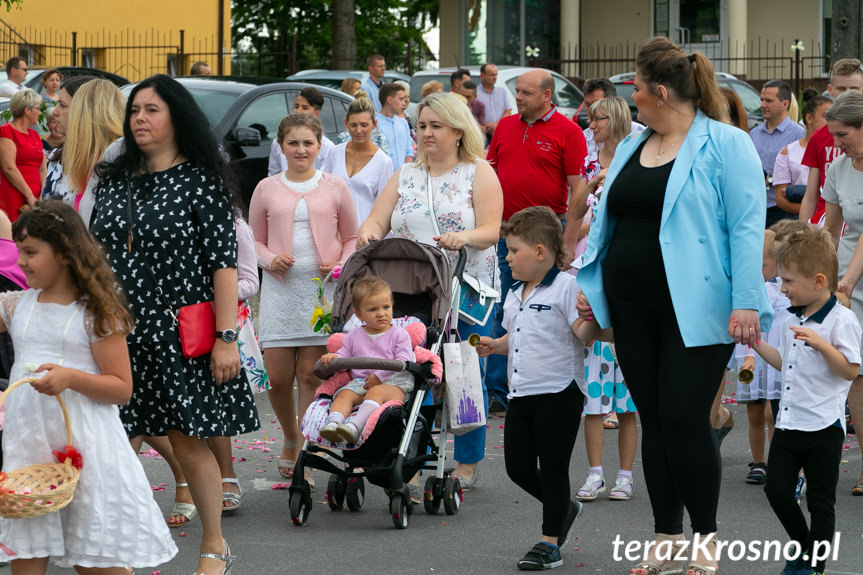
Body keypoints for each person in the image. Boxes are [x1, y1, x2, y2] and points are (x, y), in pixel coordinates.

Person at [577, 37, 771, 575]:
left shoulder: (726, 144)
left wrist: (748, 302)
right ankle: (665, 537)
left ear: (660, 91)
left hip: (699, 307)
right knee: (656, 421)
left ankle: (705, 538)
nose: (631, 98)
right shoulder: (636, 143)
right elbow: (606, 220)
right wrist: (589, 284)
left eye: (636, 89)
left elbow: (747, 226)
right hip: (632, 305)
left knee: (685, 418)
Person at [90, 74, 259, 575]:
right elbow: (94, 253)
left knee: (188, 444)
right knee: (110, 443)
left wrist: (226, 339)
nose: (139, 119)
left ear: (176, 118)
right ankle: (109, 545)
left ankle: (214, 546)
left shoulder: (201, 180)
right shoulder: (116, 176)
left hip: (176, 336)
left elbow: (223, 265)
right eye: (134, 111)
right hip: (115, 332)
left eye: (151, 110)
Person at [0, 200, 178, 573]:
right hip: (30, 447)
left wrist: (71, 378)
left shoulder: (95, 314)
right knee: (27, 550)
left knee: (96, 554)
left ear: (65, 253)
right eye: (20, 251)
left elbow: (121, 388)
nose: (20, 262)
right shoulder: (18, 306)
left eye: (31, 252)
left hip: (84, 443)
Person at [357, 92, 502, 488]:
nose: (426, 133)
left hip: (465, 289)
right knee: (416, 370)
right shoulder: (405, 174)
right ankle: (414, 454)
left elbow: (492, 230)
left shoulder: (478, 172)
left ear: (458, 131)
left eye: (436, 125)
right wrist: (367, 234)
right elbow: (376, 220)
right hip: (413, 291)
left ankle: (468, 461)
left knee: (462, 372)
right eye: (421, 126)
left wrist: (463, 236)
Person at [249, 113, 357, 490]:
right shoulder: (266, 187)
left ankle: (305, 450)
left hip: (319, 293)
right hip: (279, 291)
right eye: (293, 143)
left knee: (310, 375)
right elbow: (253, 240)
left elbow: (352, 237)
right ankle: (290, 436)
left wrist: (340, 265)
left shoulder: (335, 186)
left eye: (308, 143)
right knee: (278, 377)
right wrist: (268, 259)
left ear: (318, 147)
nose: (300, 150)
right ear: (281, 146)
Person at [477, 206, 586, 571]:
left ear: (540, 253)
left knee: (553, 469)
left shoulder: (567, 288)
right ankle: (564, 506)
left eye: (512, 251)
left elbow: (582, 334)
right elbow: (519, 335)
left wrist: (594, 320)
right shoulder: (514, 293)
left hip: (559, 391)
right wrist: (496, 345)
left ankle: (549, 542)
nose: (506, 259)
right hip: (521, 392)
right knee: (518, 468)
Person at [748, 227, 861, 575]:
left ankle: (815, 566)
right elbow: (784, 362)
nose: (782, 289)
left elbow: (850, 370)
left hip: (824, 427)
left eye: (789, 282)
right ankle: (804, 547)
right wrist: (754, 343)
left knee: (821, 502)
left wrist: (822, 344)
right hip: (788, 423)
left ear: (818, 280)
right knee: (778, 491)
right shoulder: (791, 320)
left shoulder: (842, 320)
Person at [485, 69, 587, 414]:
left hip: (547, 232)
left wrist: (568, 241)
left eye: (527, 93)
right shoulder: (505, 126)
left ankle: (539, 384)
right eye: (517, 92)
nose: (518, 98)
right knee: (505, 305)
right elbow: (490, 172)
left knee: (545, 310)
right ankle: (500, 389)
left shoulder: (569, 132)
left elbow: (579, 192)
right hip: (507, 233)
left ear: (547, 95)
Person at [567, 97, 638, 504]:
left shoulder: (637, 157)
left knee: (627, 393)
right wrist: (592, 185)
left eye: (599, 118)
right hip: (592, 269)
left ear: (618, 120)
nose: (592, 124)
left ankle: (625, 475)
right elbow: (575, 213)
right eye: (590, 118)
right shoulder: (590, 162)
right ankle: (595, 473)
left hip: (626, 270)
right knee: (594, 390)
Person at [821, 90, 863, 499]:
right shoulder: (837, 168)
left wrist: (846, 283)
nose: (837, 141)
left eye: (844, 133)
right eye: (833, 134)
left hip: (853, 281)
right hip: (850, 284)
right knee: (857, 377)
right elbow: (832, 231)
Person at [319, 277, 414, 443]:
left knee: (375, 392)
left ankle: (354, 427)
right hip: (360, 382)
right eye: (372, 309)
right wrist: (334, 358)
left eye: (386, 307)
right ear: (358, 314)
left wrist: (380, 376)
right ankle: (333, 423)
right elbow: (344, 354)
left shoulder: (399, 335)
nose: (381, 313)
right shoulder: (354, 336)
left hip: (393, 382)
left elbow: (403, 360)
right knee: (344, 394)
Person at [800, 58, 863, 225]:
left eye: (854, 89)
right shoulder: (819, 137)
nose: (847, 93)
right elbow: (810, 195)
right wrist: (802, 230)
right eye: (842, 88)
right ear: (830, 90)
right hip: (827, 218)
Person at [54, 79, 125, 220]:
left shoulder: (117, 164)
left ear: (85, 115)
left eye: (62, 105)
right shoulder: (88, 162)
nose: (54, 112)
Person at [322, 96, 393, 224]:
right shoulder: (334, 152)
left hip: (364, 236)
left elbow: (385, 208)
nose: (358, 130)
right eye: (353, 125)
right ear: (346, 124)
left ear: (374, 124)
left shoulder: (383, 162)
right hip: (333, 229)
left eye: (364, 125)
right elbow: (324, 190)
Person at [750, 79, 806, 227]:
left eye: (768, 100)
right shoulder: (753, 134)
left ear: (785, 104)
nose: (762, 105)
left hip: (783, 209)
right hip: (755, 207)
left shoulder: (799, 135)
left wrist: (772, 179)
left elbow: (804, 174)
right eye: (761, 100)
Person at [773, 90, 832, 217]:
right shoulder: (788, 152)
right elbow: (780, 198)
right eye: (826, 116)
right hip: (802, 218)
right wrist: (812, 213)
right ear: (809, 118)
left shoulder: (839, 147)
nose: (832, 122)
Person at [41, 76, 95, 206]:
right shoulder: (54, 157)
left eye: (62, 105)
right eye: (57, 104)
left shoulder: (108, 163)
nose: (55, 112)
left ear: (84, 111)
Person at [267, 86, 336, 176]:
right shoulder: (278, 142)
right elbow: (273, 175)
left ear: (317, 113)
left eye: (305, 108)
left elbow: (325, 180)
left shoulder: (328, 148)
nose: (298, 111)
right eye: (296, 106)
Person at [0, 89, 45, 221]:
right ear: (27, 110)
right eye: (37, 108)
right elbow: (9, 168)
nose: (40, 112)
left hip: (35, 197)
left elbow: (42, 167)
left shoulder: (35, 135)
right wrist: (29, 196)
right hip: (13, 194)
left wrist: (39, 195)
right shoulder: (7, 132)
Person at [376, 82, 415, 171]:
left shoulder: (403, 122)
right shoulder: (375, 124)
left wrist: (404, 170)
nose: (404, 103)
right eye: (401, 99)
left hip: (402, 177)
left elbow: (409, 150)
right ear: (390, 100)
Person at [476, 63, 511, 143]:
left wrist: (497, 124)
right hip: (483, 135)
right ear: (482, 75)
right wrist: (487, 125)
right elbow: (472, 114)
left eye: (496, 75)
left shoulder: (502, 91)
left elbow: (508, 111)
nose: (494, 77)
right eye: (491, 75)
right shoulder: (475, 93)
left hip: (501, 133)